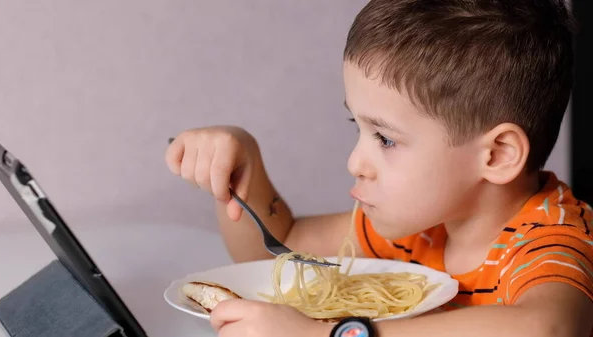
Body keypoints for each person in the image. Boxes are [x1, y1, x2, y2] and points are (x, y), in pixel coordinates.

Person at [165, 1, 593, 336]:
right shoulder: (417, 225)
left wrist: (334, 333)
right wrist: (244, 169)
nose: (355, 162)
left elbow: (547, 327)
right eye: (359, 127)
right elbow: (281, 247)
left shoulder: (551, 240)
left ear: (497, 155)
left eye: (386, 139)